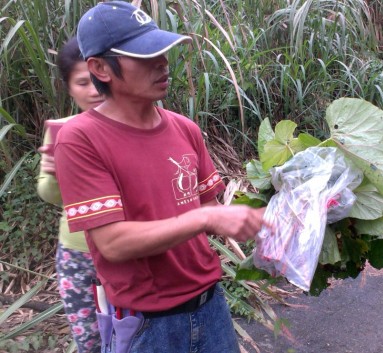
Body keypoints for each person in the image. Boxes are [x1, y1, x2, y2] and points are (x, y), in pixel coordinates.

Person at [53, 2, 267, 352]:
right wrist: (207, 216)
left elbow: (211, 211)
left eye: (163, 51)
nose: (162, 63)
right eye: (144, 55)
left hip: (211, 308)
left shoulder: (185, 129)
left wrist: (275, 210)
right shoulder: (80, 139)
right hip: (148, 325)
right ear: (99, 68)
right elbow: (113, 243)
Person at [37, 37, 104, 352]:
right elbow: (49, 194)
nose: (93, 90)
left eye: (98, 80)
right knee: (89, 340)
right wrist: (54, 172)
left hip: (126, 250)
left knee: (134, 336)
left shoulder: (131, 125)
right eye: (82, 83)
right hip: (77, 253)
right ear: (69, 89)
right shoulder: (61, 129)